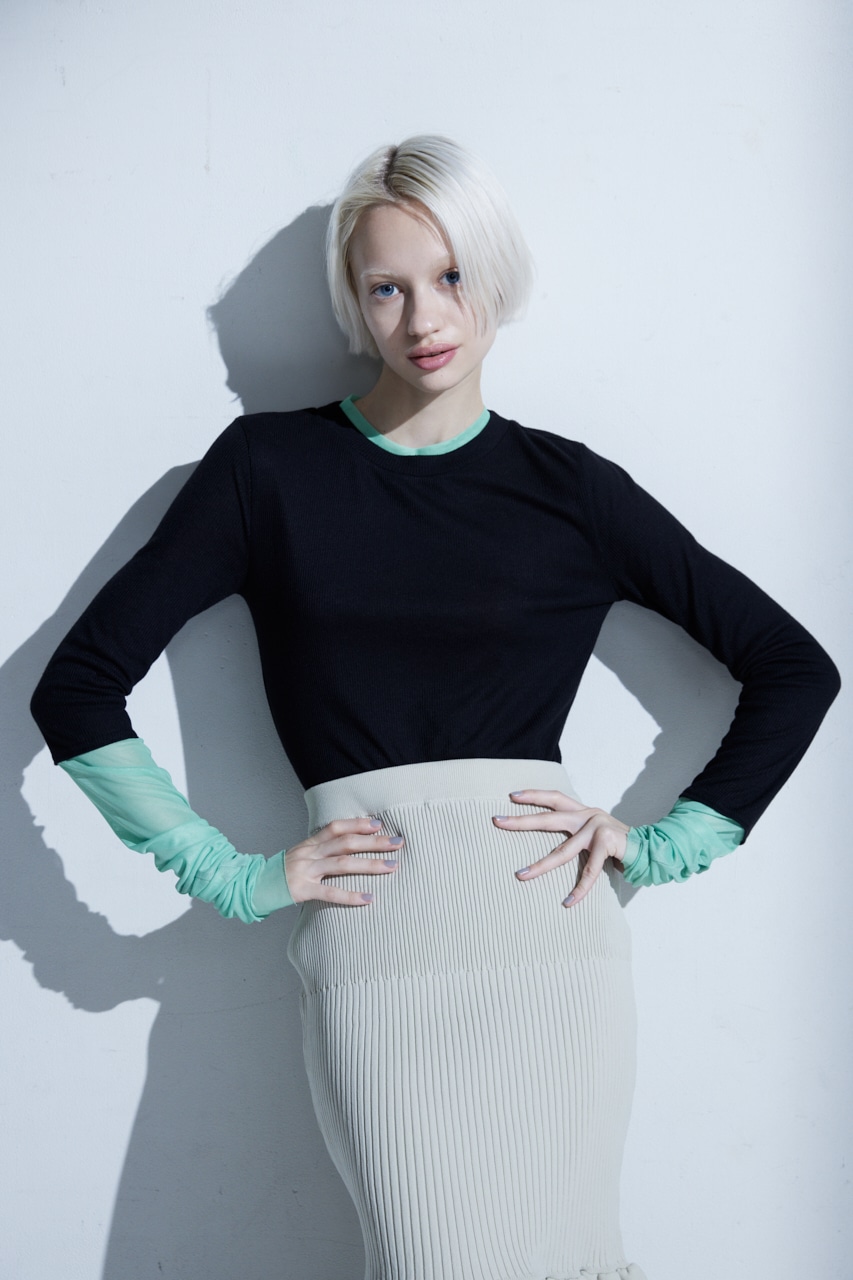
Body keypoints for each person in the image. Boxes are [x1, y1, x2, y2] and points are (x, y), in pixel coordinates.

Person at [30, 135, 840, 1280]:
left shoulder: (570, 488)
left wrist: (664, 844)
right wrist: (230, 875)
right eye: (387, 287)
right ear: (353, 302)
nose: (424, 316)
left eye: (451, 274)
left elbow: (795, 667)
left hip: (550, 944)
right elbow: (76, 687)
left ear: (494, 274)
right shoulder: (268, 469)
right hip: (379, 951)